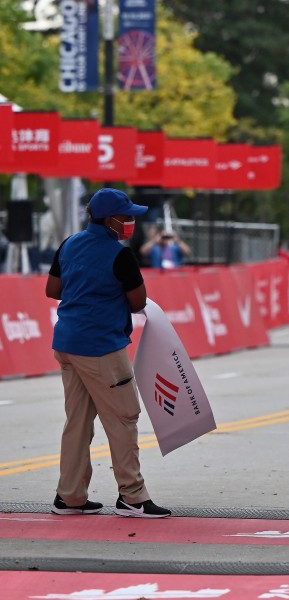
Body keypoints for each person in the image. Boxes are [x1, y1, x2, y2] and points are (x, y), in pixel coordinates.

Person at [45, 188, 171, 519]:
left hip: (67, 343)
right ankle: (132, 496)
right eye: (126, 216)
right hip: (101, 347)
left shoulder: (69, 243)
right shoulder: (120, 255)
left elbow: (52, 290)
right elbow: (138, 302)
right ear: (110, 219)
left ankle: (69, 496)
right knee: (124, 417)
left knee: (78, 422)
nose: (130, 222)